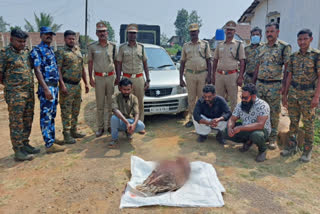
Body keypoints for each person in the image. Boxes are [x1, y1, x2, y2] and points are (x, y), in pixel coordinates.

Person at [0, 29, 40, 161]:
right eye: (19, 41)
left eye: (24, 41)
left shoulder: (26, 52)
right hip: (15, 94)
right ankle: (18, 150)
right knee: (16, 122)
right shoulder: (5, 54)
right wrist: (12, 86)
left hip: (28, 92)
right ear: (11, 40)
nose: (22, 44)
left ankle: (25, 144)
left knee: (28, 118)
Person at [281, 29, 320, 162]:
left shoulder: (316, 56)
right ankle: (292, 146)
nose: (302, 42)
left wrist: (316, 97)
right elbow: (288, 77)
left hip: (308, 94)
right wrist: (285, 95)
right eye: (300, 39)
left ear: (311, 39)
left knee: (308, 124)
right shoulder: (293, 57)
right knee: (293, 122)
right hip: (293, 93)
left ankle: (307, 151)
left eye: (305, 39)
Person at [253, 22, 291, 150]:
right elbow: (257, 66)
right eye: (267, 32)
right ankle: (261, 135)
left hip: (274, 85)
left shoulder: (283, 47)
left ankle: (273, 138)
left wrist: (284, 87)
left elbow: (287, 69)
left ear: (277, 32)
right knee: (259, 111)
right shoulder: (261, 48)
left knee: (274, 113)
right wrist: (253, 84)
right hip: (260, 84)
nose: (269, 34)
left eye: (271, 32)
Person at [30, 26, 65, 153]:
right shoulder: (37, 50)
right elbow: (37, 70)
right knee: (46, 115)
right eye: (46, 34)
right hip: (47, 87)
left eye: (50, 34)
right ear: (41, 35)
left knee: (52, 114)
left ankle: (52, 137)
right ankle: (49, 144)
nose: (49, 36)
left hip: (54, 86)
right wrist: (45, 89)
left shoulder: (50, 50)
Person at [56, 30, 89, 144]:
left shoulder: (78, 51)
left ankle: (74, 130)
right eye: (69, 38)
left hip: (77, 85)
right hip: (67, 85)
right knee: (66, 110)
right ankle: (67, 134)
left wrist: (86, 83)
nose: (72, 40)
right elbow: (58, 70)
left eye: (73, 38)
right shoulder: (61, 52)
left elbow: (82, 68)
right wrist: (62, 85)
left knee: (76, 109)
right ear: (65, 39)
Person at [223, 84, 271, 162]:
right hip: (245, 128)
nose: (243, 100)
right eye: (242, 97)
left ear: (253, 96)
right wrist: (229, 128)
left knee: (256, 135)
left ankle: (262, 150)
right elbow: (232, 119)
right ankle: (248, 141)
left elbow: (260, 125)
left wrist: (240, 128)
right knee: (224, 132)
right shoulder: (240, 105)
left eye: (245, 98)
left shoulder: (263, 105)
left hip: (261, 130)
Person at [116, 24, 150, 134]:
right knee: (125, 103)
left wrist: (148, 79)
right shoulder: (122, 48)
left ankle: (140, 125)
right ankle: (126, 124)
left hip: (139, 78)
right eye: (130, 33)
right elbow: (119, 64)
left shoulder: (141, 47)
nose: (132, 35)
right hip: (126, 77)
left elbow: (145, 64)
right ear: (127, 34)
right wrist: (118, 78)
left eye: (134, 33)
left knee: (139, 102)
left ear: (136, 34)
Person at [88, 21, 117, 137]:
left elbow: (116, 62)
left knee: (111, 104)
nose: (102, 33)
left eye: (104, 31)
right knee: (100, 105)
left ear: (107, 33)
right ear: (96, 33)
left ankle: (110, 125)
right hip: (99, 78)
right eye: (99, 32)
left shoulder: (113, 47)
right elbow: (90, 62)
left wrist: (118, 77)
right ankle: (100, 128)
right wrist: (90, 77)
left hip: (111, 77)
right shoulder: (92, 47)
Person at [179, 23, 212, 128]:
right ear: (190, 33)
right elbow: (182, 62)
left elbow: (208, 60)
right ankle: (192, 119)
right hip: (190, 75)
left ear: (198, 32)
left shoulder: (205, 44)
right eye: (191, 32)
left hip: (202, 74)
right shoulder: (185, 46)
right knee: (191, 98)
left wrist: (209, 76)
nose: (193, 33)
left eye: (195, 31)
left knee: (203, 98)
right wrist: (180, 78)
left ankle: (202, 119)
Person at [212, 20, 246, 111]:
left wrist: (240, 77)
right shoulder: (220, 45)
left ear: (234, 32)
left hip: (232, 75)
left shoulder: (239, 45)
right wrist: (213, 75)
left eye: (231, 30)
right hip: (219, 75)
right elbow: (215, 60)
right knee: (219, 98)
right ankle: (221, 118)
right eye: (228, 30)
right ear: (225, 31)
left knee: (233, 99)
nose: (229, 31)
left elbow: (242, 62)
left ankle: (233, 120)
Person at [108, 78, 145, 148]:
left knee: (141, 125)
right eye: (124, 89)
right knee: (113, 118)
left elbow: (137, 113)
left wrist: (133, 125)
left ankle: (128, 132)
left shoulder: (134, 98)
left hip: (129, 121)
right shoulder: (115, 97)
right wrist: (127, 123)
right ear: (120, 89)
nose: (126, 92)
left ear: (131, 88)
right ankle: (114, 139)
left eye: (128, 89)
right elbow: (115, 110)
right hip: (120, 121)